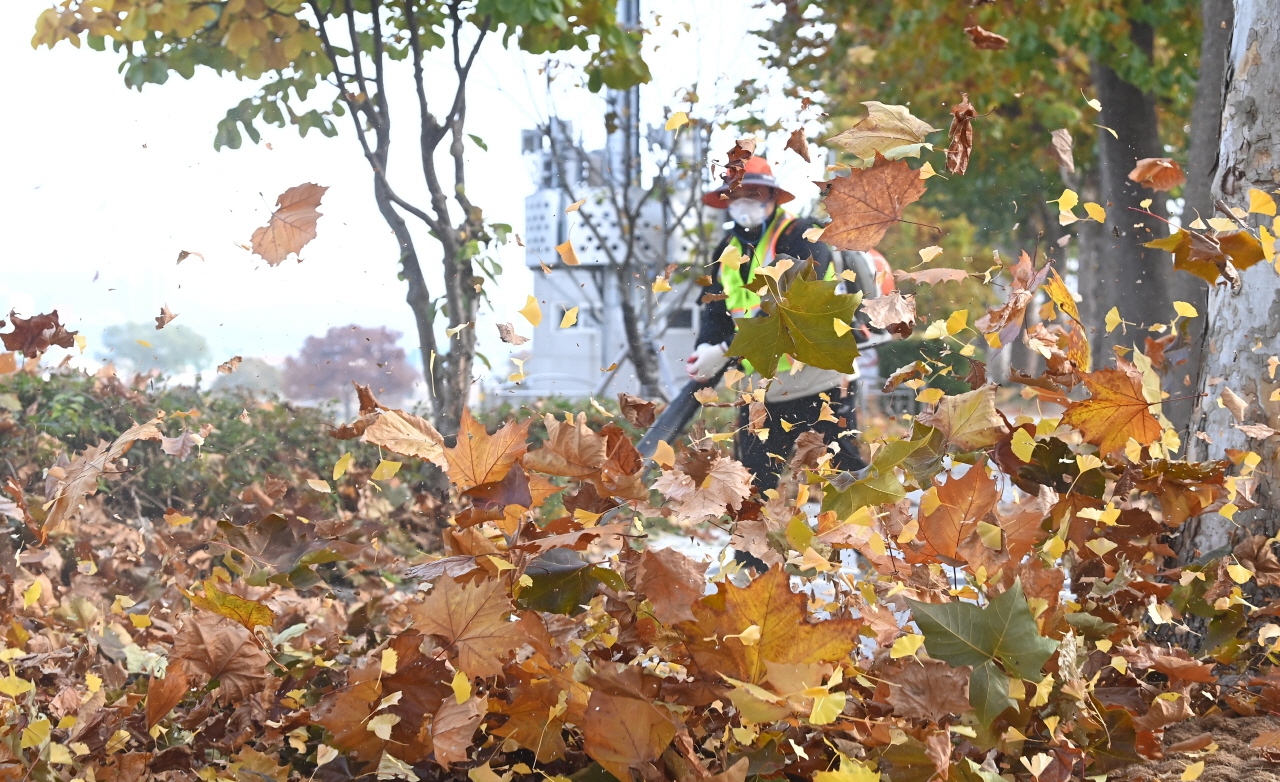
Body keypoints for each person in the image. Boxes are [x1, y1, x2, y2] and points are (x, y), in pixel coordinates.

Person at [686, 156, 866, 492]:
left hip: (821, 380)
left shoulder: (805, 237)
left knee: (845, 475)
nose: (743, 204)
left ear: (771, 197)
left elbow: (784, 301)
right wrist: (705, 352)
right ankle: (750, 546)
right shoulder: (726, 252)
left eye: (752, 194)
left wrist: (726, 350)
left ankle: (864, 543)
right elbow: (716, 315)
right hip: (762, 391)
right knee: (752, 489)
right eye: (736, 195)